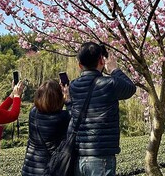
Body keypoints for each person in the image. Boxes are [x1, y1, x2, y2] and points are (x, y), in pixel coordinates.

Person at [69, 41, 136, 176]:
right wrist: (113, 69)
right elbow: (130, 88)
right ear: (101, 60)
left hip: (79, 155)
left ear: (79, 65)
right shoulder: (109, 84)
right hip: (101, 156)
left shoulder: (73, 86)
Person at [21, 79, 71, 175]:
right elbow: (75, 120)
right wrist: (68, 100)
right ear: (59, 98)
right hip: (49, 170)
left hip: (29, 169)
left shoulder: (33, 113)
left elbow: (46, 100)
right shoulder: (63, 117)